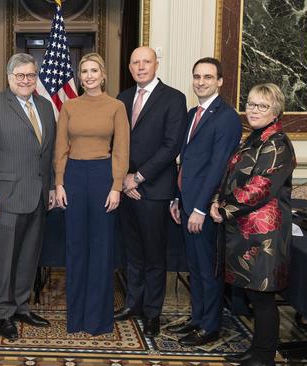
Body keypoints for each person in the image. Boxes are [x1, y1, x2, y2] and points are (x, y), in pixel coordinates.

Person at [211, 83, 296, 366]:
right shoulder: (254, 139)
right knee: (253, 294)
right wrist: (216, 200)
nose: (254, 110)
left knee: (262, 298)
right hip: (244, 232)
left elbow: (260, 187)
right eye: (250, 104)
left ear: (276, 111)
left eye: (262, 106)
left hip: (264, 235)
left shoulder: (277, 143)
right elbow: (230, 177)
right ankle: (257, 351)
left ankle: (264, 356)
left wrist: (225, 210)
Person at [0, 53, 56, 341]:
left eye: (31, 75)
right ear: (9, 77)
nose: (25, 80)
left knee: (28, 256)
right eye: (20, 75)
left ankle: (22, 306)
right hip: (4, 198)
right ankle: (5, 312)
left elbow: (47, 154)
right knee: (6, 259)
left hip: (37, 197)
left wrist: (51, 187)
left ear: (37, 77)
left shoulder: (46, 107)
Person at [166, 57, 242, 346]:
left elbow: (218, 166)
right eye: (197, 76)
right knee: (194, 268)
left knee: (208, 270)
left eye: (208, 77)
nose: (201, 82)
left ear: (220, 81)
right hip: (186, 203)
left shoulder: (227, 118)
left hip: (204, 209)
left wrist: (199, 208)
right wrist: (176, 197)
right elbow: (185, 161)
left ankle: (210, 326)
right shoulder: (191, 113)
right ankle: (197, 319)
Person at [114, 46, 188, 337]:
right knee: (132, 253)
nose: (141, 66)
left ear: (157, 64)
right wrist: (123, 180)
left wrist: (138, 178)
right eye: (135, 62)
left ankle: (153, 312)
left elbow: (171, 146)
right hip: (126, 189)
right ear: (130, 67)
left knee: (155, 255)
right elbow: (116, 145)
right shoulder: (122, 99)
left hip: (154, 189)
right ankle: (134, 303)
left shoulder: (174, 98)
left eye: (146, 61)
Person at [54, 53, 129, 335]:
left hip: (103, 178)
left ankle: (98, 320)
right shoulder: (69, 106)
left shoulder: (116, 106)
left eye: (94, 70)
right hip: (73, 177)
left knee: (101, 249)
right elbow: (60, 146)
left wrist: (117, 186)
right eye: (84, 71)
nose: (88, 75)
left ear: (103, 74)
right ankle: (76, 319)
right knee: (75, 249)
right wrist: (59, 181)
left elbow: (121, 149)